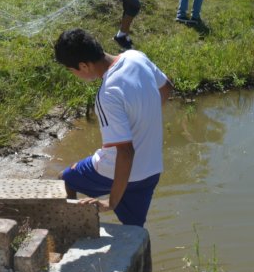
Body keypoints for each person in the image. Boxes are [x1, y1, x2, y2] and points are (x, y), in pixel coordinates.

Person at [53, 28, 173, 226]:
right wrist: (143, 117)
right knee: (134, 231)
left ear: (83, 66)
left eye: (71, 70)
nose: (74, 75)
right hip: (151, 170)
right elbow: (166, 86)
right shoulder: (136, 57)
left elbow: (125, 152)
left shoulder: (107, 94)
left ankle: (75, 230)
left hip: (115, 170)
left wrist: (111, 202)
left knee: (65, 180)